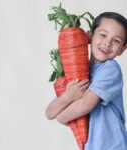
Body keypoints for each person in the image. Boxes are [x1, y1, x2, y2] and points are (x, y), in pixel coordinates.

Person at [45, 12, 127, 150]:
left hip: (114, 145)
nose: (107, 43)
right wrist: (67, 97)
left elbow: (85, 105)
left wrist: (61, 117)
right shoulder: (76, 73)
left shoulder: (110, 69)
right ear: (89, 36)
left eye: (116, 41)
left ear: (122, 49)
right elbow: (49, 113)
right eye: (103, 35)